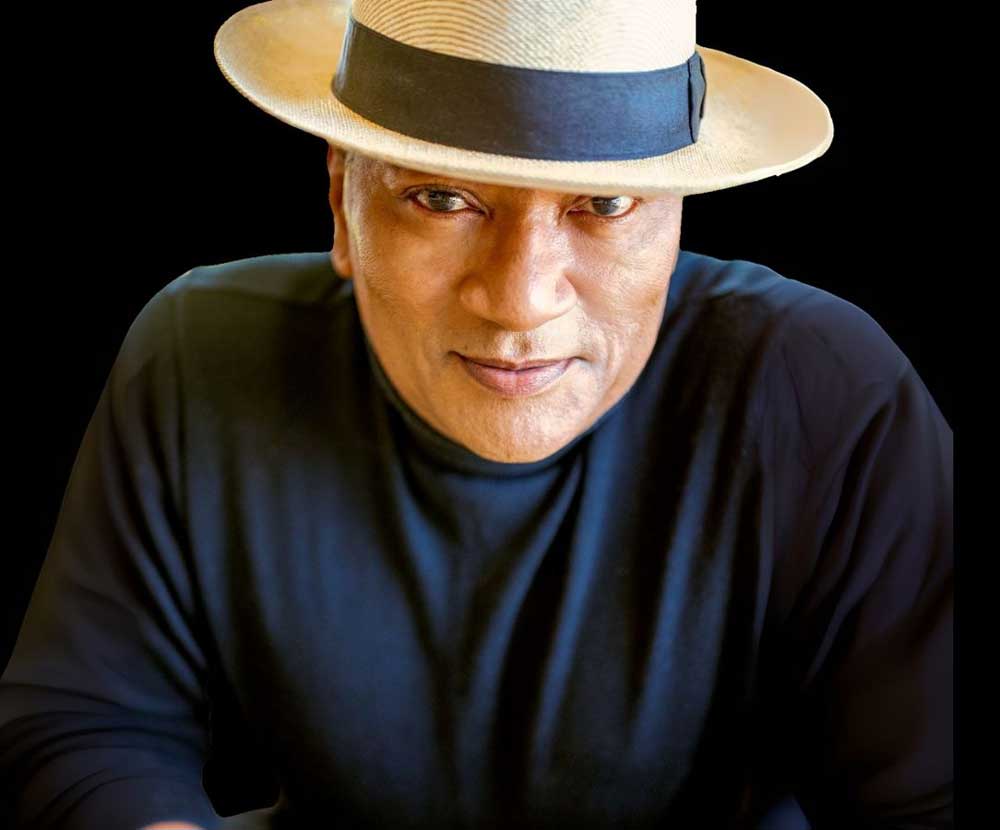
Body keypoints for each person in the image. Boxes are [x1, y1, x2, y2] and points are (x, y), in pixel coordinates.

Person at [0, 1, 953, 829]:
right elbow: (87, 723)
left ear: (674, 218)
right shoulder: (200, 352)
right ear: (341, 201)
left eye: (604, 203)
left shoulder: (825, 391)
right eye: (443, 197)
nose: (520, 300)